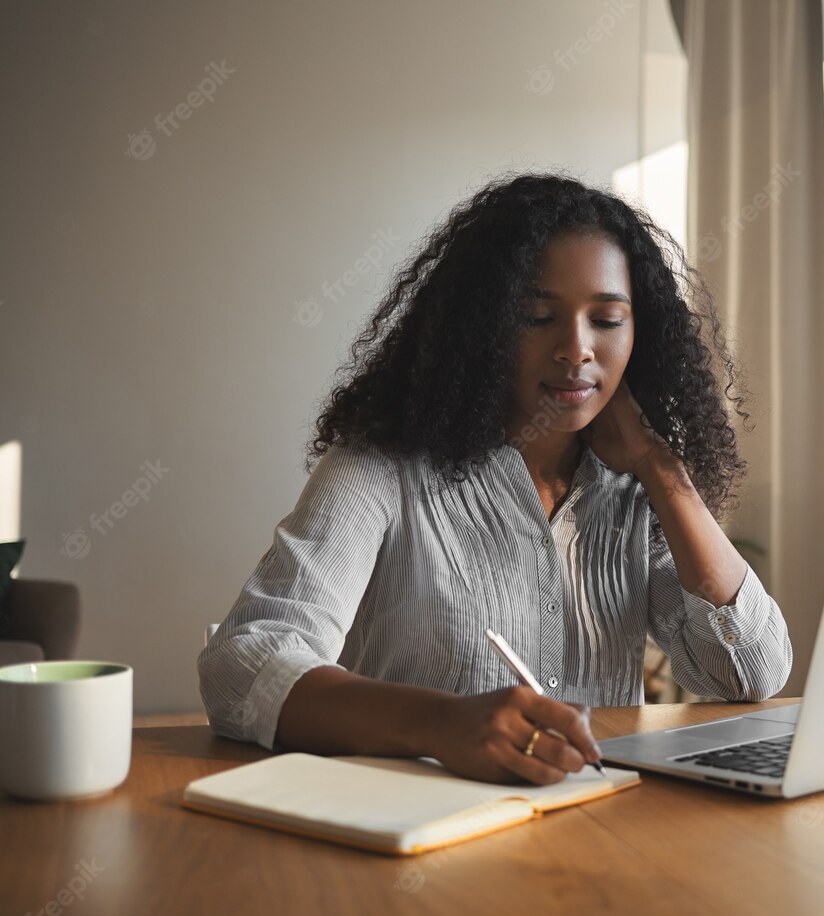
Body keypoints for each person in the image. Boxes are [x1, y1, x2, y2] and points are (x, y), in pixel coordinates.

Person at [197, 173, 792, 785]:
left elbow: (749, 673)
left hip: (592, 827)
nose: (575, 348)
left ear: (641, 334)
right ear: (482, 327)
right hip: (415, 833)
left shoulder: (635, 491)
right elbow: (244, 663)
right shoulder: (381, 467)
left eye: (607, 320)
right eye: (538, 316)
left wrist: (663, 471)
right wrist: (440, 724)